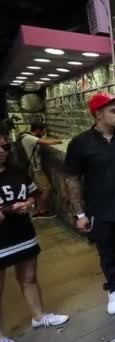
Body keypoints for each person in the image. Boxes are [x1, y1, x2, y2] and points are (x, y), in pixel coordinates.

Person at [64, 93, 115, 316]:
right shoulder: (80, 143)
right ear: (98, 114)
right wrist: (79, 213)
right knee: (107, 252)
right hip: (100, 210)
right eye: (114, 111)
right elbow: (72, 179)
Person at [0, 132, 69, 342]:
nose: (3, 151)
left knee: (29, 279)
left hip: (23, 234)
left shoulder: (17, 172)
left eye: (5, 147)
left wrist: (28, 204)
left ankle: (39, 316)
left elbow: (33, 194)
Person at [18, 122, 62, 219]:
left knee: (37, 191)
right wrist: (62, 141)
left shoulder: (26, 136)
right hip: (35, 170)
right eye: (43, 131)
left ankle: (38, 209)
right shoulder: (29, 138)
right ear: (38, 130)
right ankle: (41, 211)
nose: (43, 134)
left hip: (32, 169)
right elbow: (47, 142)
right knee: (47, 189)